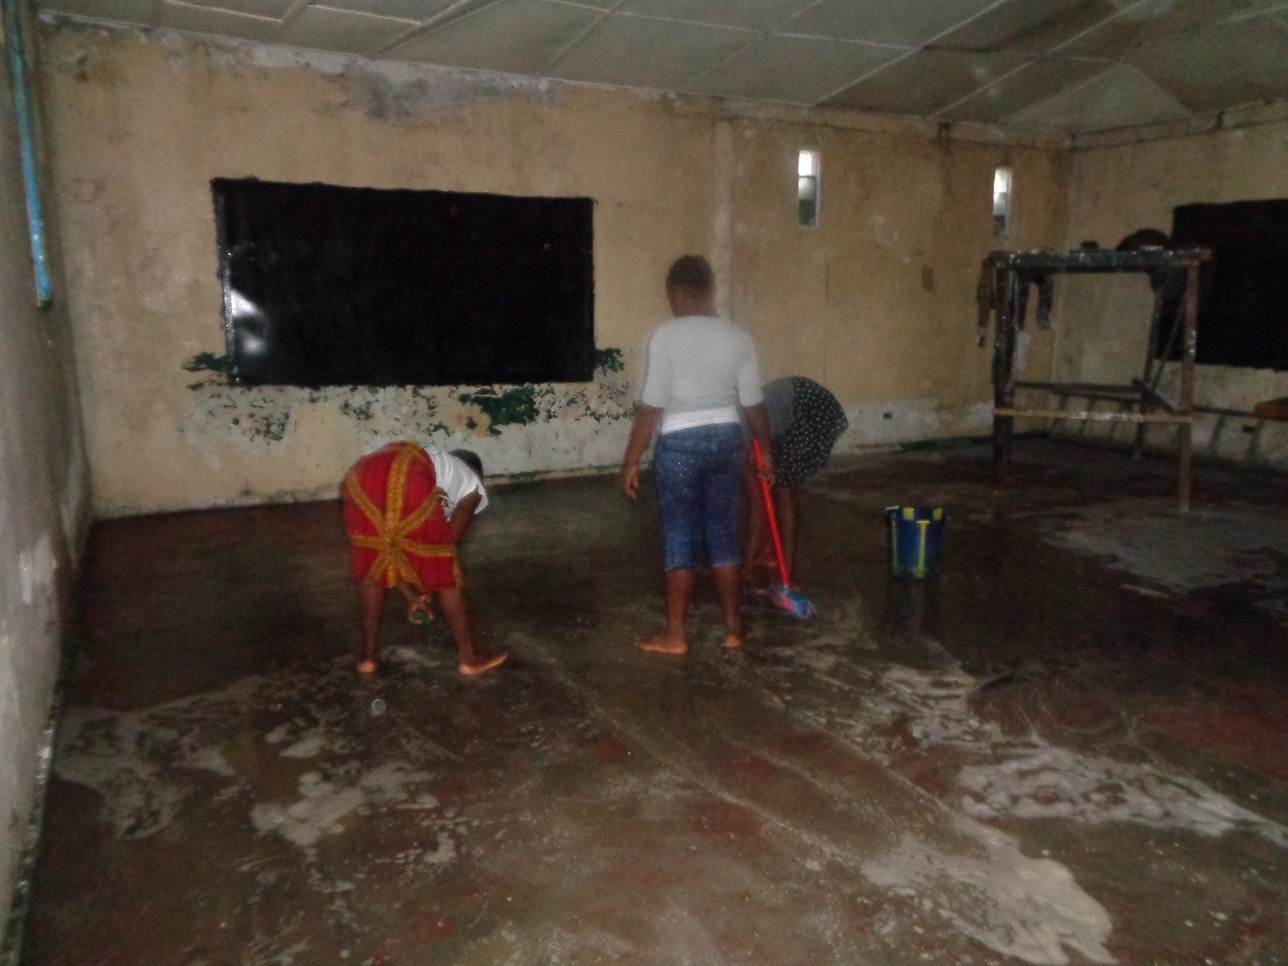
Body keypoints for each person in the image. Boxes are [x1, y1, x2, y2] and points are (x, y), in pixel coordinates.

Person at [619, 255, 774, 655]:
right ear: (710, 290)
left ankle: (675, 635)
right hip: (727, 439)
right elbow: (753, 402)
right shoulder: (738, 337)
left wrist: (632, 460)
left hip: (680, 444)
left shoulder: (665, 337)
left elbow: (652, 406)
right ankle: (734, 628)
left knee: (680, 538)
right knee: (723, 533)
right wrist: (765, 450)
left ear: (677, 292)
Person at [342, 441, 506, 676]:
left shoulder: (439, 467)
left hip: (360, 476)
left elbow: (393, 550)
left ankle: (368, 659)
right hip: (409, 474)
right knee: (447, 570)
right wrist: (427, 584)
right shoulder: (472, 485)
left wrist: (413, 597)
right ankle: (469, 659)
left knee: (373, 563)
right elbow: (446, 546)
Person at [743, 376, 848, 595]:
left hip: (807, 408)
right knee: (766, 489)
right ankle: (769, 556)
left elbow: (758, 509)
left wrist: (744, 572)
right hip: (777, 418)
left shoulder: (735, 441)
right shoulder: (732, 442)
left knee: (783, 489)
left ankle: (787, 572)